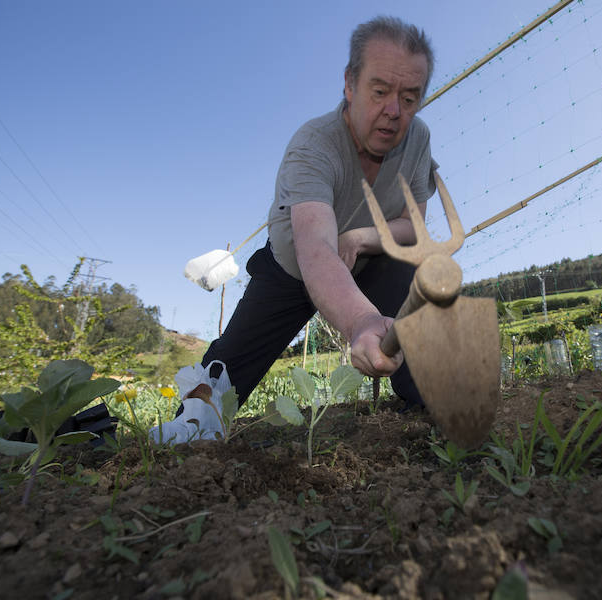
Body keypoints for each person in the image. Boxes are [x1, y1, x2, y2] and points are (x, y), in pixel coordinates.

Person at [153, 16, 439, 444]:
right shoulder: (314, 145)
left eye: (409, 98)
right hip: (293, 268)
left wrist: (360, 238)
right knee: (228, 370)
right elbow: (317, 249)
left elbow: (413, 226)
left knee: (411, 279)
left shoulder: (417, 139)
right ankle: (192, 426)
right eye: (379, 92)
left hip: (371, 261)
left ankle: (431, 411)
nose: (394, 111)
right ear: (350, 84)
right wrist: (360, 320)